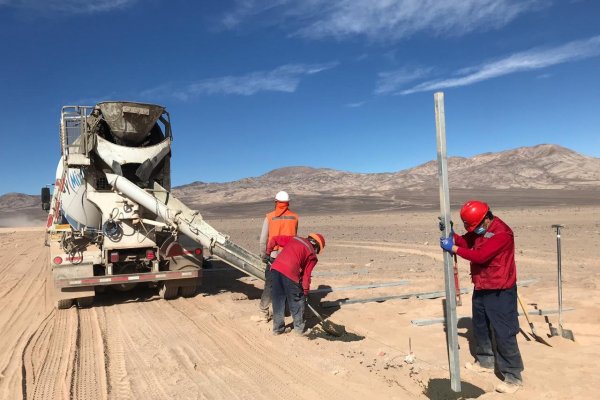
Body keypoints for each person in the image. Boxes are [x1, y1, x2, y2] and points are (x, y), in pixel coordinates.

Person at [440, 200, 524, 394]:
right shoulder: (481, 229)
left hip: (500, 289)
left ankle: (513, 376)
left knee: (504, 332)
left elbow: (480, 256)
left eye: (476, 226)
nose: (474, 230)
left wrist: (453, 249)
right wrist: (451, 235)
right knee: (480, 326)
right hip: (482, 285)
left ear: (487, 218)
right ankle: (485, 361)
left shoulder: (502, 233)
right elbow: (467, 241)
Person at [264, 233, 325, 336]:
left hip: (275, 269)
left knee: (278, 300)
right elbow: (306, 275)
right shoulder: (312, 255)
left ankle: (278, 329)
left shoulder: (295, 239)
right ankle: (299, 329)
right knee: (297, 301)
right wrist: (305, 291)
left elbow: (274, 239)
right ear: (316, 247)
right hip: (290, 273)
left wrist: (268, 252)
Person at [256, 191, 299, 322]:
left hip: (274, 257)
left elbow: (263, 239)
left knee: (270, 284)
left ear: (276, 202)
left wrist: (264, 255)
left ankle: (263, 312)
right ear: (288, 203)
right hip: (290, 257)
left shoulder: (269, 217)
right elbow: (294, 237)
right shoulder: (295, 217)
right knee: (288, 284)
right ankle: (286, 311)